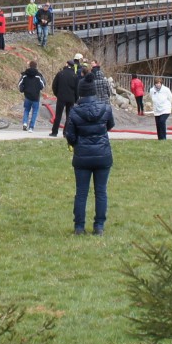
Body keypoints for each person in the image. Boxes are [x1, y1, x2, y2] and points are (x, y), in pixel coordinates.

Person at [65, 74, 115, 235]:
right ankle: (99, 226)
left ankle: (79, 227)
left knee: (81, 192)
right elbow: (110, 125)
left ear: (80, 92)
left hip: (82, 155)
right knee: (101, 192)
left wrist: (76, 143)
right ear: (94, 91)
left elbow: (70, 134)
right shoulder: (105, 108)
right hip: (103, 154)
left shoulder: (74, 111)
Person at [50, 58, 80, 136]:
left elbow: (54, 85)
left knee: (58, 115)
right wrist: (76, 98)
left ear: (66, 64)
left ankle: (54, 132)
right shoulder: (75, 76)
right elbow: (77, 89)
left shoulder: (60, 74)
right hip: (71, 98)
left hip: (61, 97)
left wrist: (57, 94)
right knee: (69, 116)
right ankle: (66, 132)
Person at [19, 60, 46, 131]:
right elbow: (43, 84)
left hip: (27, 95)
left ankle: (25, 123)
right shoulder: (39, 75)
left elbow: (20, 83)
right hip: (36, 96)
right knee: (35, 112)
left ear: (29, 66)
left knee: (26, 110)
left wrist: (22, 89)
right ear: (36, 66)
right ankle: (31, 127)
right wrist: (39, 88)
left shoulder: (25, 74)